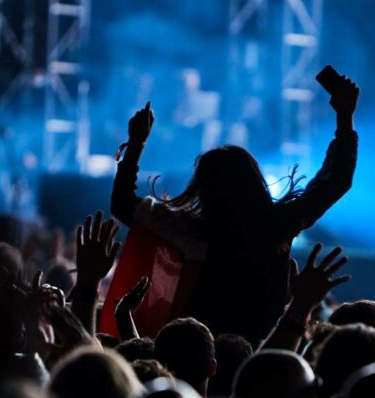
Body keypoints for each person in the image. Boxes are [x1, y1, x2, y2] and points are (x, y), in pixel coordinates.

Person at [111, 75, 359, 344]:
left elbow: (123, 204)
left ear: (203, 189)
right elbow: (335, 181)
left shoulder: (191, 230)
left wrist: (136, 144)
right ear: (255, 182)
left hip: (198, 354)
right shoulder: (277, 225)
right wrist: (344, 119)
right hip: (264, 354)